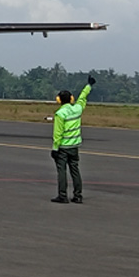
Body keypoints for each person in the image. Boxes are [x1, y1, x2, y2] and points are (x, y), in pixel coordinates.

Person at [50, 75, 95, 204]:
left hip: (63, 147)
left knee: (62, 171)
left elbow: (57, 134)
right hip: (74, 146)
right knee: (75, 170)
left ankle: (62, 195)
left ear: (58, 100)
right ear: (71, 99)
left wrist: (55, 148)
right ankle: (78, 195)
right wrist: (89, 86)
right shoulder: (77, 109)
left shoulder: (60, 114)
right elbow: (82, 98)